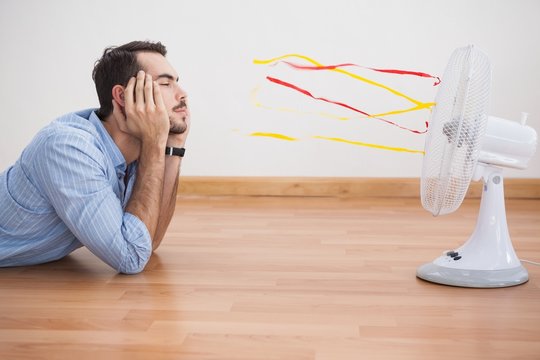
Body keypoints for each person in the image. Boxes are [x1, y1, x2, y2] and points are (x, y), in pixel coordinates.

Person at [0, 40, 189, 274]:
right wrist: (155, 143)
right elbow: (131, 256)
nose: (183, 95)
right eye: (165, 84)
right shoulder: (68, 148)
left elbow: (148, 241)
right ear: (122, 97)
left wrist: (174, 146)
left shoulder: (130, 152)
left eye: (177, 83)